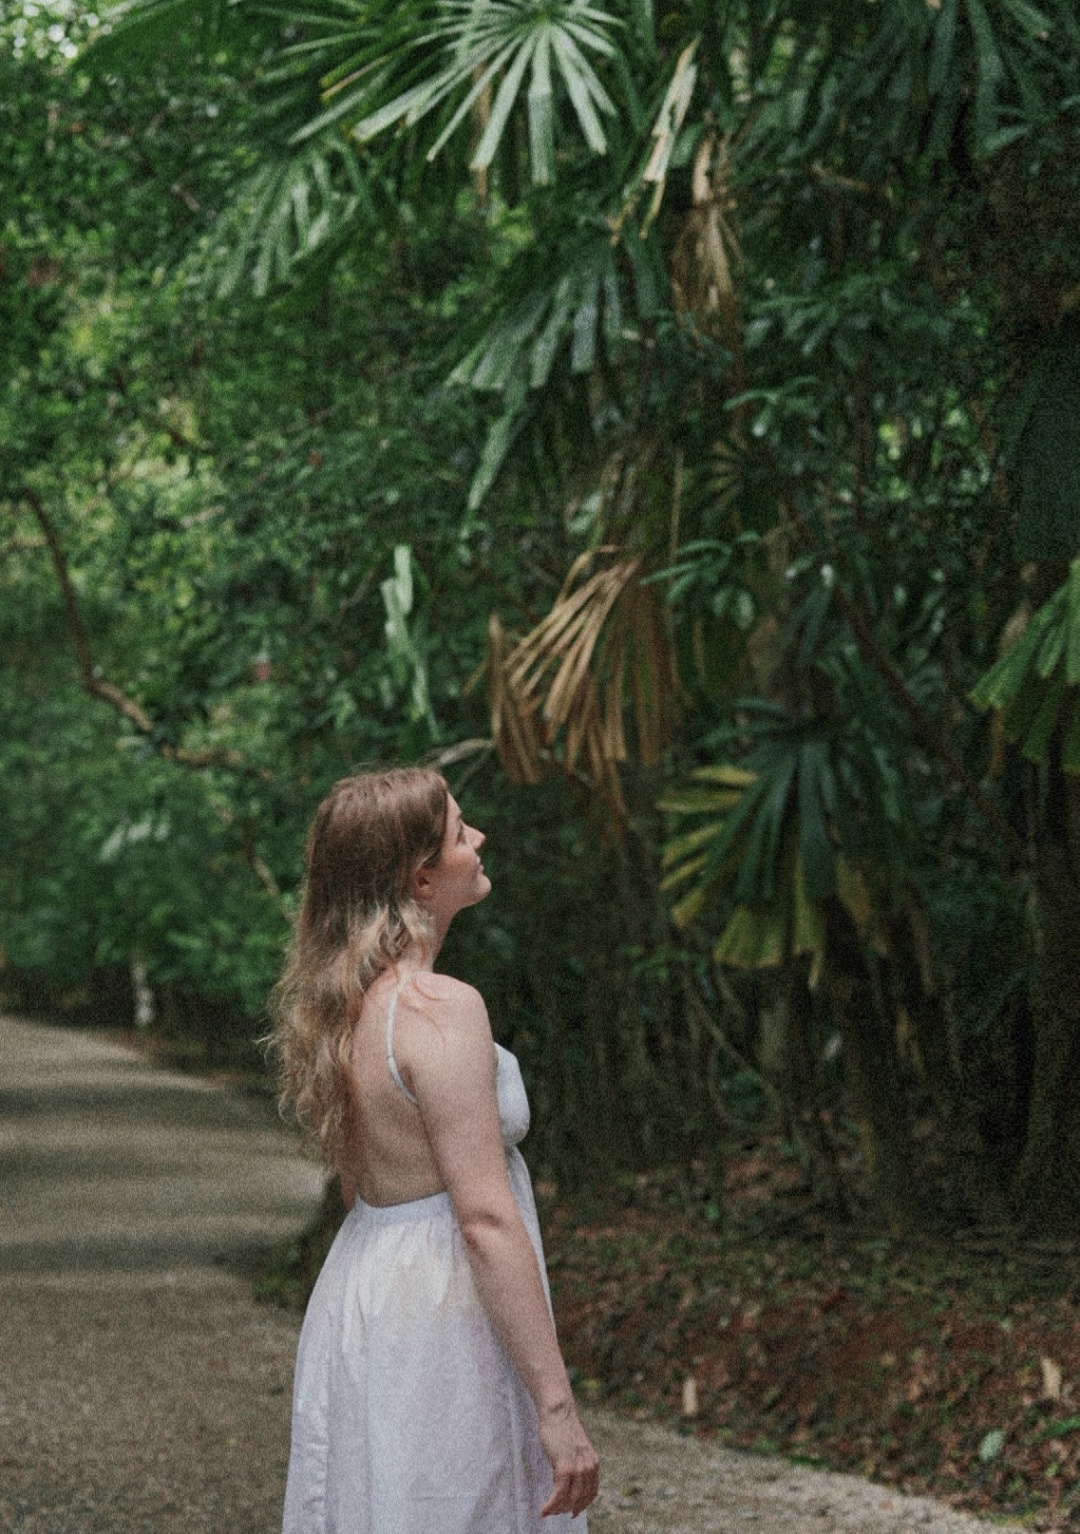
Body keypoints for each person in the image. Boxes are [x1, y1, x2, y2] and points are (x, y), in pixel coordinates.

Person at [272, 767, 599, 1533]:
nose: (478, 838)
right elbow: (483, 1218)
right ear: (422, 880)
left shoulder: (343, 1011)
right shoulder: (440, 1008)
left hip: (366, 1297)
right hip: (443, 1317)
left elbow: (361, 1190)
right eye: (459, 832)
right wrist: (557, 1409)